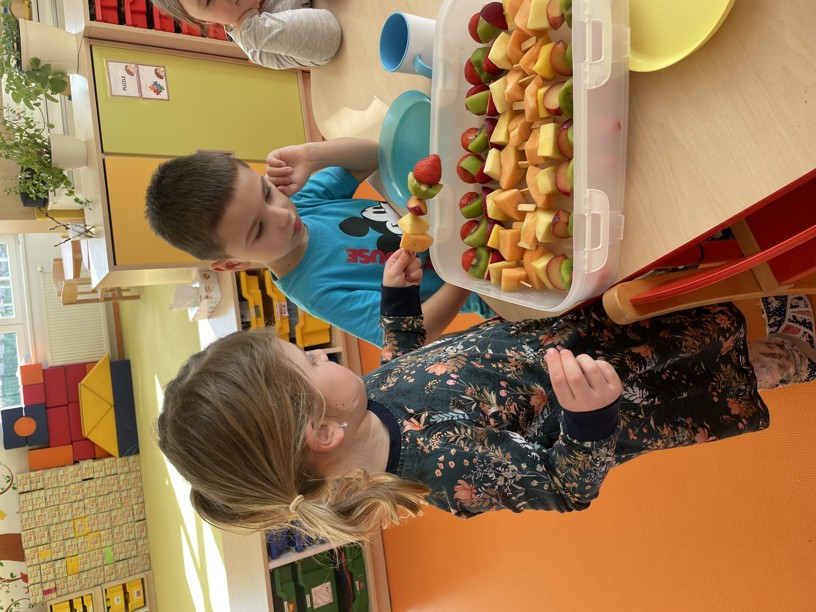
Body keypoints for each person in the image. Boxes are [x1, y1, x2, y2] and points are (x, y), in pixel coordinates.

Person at [157, 248, 816, 544]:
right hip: (624, 395)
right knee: (719, 365)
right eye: (308, 363)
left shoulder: (361, 402)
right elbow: (564, 487)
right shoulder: (447, 477)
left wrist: (399, 308)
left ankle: (759, 321)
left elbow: (409, 369)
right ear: (323, 433)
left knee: (682, 318)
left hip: (578, 339)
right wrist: (588, 419)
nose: (322, 355)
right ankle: (782, 359)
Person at [145, 138, 493, 346]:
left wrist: (312, 155)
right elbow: (410, 334)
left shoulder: (304, 203)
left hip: (474, 223)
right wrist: (462, 273)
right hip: (486, 281)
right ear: (234, 264)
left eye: (266, 193)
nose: (282, 215)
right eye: (259, 230)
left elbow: (371, 156)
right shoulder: (316, 292)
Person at [152, 0, 341, 70]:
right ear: (205, 21)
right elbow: (330, 34)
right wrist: (252, 30)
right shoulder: (258, 44)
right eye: (208, 0)